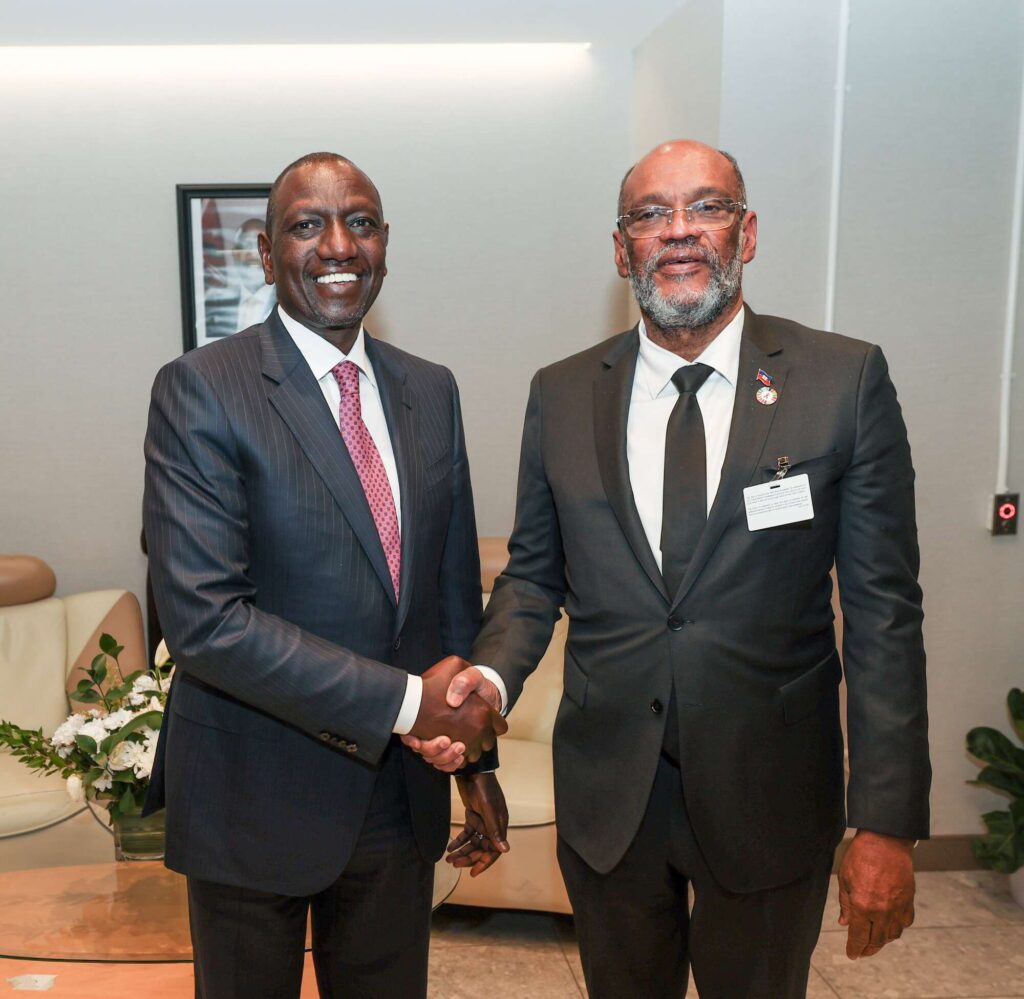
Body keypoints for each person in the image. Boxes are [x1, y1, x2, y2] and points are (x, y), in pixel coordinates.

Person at [406, 140, 930, 998]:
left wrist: (887, 821)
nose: (679, 232)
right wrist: (492, 681)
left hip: (772, 796)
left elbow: (884, 616)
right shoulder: (563, 392)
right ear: (622, 249)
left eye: (707, 207)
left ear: (747, 232)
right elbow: (535, 573)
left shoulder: (842, 380)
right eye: (651, 214)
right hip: (611, 797)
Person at [143, 151, 509, 999]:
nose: (338, 244)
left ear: (385, 244)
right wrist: (408, 702)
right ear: (268, 255)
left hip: (399, 795)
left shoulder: (431, 389)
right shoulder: (202, 389)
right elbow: (204, 621)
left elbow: (450, 597)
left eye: (362, 222)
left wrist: (472, 758)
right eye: (308, 225)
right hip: (252, 791)